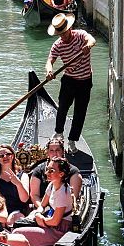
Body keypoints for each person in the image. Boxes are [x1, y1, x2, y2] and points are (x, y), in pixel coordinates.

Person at [45, 13, 97, 154]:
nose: (62, 36)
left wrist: (88, 46)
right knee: (62, 108)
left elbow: (91, 40)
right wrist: (49, 71)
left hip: (85, 81)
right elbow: (50, 60)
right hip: (69, 80)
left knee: (80, 112)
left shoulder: (80, 35)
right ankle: (59, 133)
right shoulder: (58, 45)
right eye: (60, 34)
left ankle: (72, 141)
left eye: (64, 33)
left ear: (70, 28)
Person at [8, 158, 74, 246]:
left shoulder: (63, 193)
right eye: (47, 169)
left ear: (61, 174)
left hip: (58, 230)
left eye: (51, 171)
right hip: (48, 221)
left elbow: (55, 222)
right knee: (19, 224)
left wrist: (41, 220)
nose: (47, 173)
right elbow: (42, 205)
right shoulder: (52, 185)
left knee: (18, 232)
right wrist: (38, 213)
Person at [28, 138, 83, 209]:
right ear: (47, 152)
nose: (55, 154)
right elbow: (34, 195)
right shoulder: (38, 171)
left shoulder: (74, 172)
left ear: (63, 151)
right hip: (43, 208)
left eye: (57, 150)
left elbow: (72, 199)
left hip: (64, 210)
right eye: (51, 150)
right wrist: (42, 209)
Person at [0, 144, 30, 227]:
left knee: (13, 220)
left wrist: (18, 184)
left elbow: (25, 199)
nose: (5, 157)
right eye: (1, 155)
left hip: (16, 210)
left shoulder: (23, 176)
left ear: (13, 156)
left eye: (8, 154)